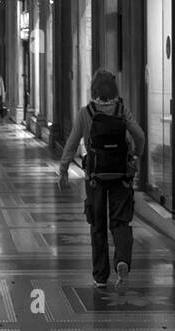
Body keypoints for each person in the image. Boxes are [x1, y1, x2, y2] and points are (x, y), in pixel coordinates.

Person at [56, 69, 146, 288]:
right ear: (114, 89)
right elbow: (140, 135)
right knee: (121, 221)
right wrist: (136, 155)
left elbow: (72, 142)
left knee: (97, 224)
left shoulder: (85, 113)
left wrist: (64, 168)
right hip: (121, 174)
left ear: (93, 89)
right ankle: (122, 260)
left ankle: (100, 275)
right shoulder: (122, 110)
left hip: (95, 176)